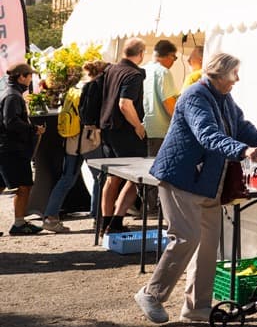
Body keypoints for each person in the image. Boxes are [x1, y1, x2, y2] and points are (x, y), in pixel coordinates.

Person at [134, 52, 257, 324]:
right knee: (186, 238)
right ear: (219, 74)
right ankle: (151, 294)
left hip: (208, 182)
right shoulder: (195, 96)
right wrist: (243, 151)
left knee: (208, 246)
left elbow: (244, 129)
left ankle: (197, 308)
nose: (238, 79)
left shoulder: (223, 97)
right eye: (235, 73)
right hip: (181, 179)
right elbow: (208, 136)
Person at [41, 61, 108, 232]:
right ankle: (97, 218)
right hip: (88, 139)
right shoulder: (93, 88)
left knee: (67, 178)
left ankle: (50, 217)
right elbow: (91, 116)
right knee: (100, 178)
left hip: (72, 139)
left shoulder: (74, 89)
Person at [99, 38, 148, 233]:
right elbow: (124, 104)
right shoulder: (133, 74)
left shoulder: (111, 69)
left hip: (108, 129)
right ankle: (117, 222)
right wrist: (138, 126)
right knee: (136, 177)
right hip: (126, 131)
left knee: (112, 177)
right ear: (142, 53)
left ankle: (106, 223)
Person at [0, 63, 46, 236]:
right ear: (21, 77)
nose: (30, 80)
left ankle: (19, 223)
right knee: (24, 185)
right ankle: (19, 224)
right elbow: (10, 122)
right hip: (11, 149)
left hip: (5, 147)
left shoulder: (7, 91)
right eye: (29, 76)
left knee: (1, 185)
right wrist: (33, 129)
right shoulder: (12, 95)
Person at [142, 39, 180, 157]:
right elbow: (168, 103)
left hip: (142, 128)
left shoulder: (142, 69)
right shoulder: (163, 72)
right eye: (175, 58)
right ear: (169, 56)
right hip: (160, 130)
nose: (174, 62)